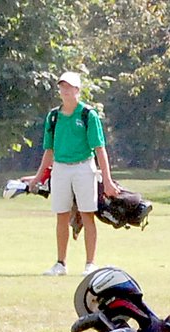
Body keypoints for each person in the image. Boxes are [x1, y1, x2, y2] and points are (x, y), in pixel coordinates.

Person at [30, 71, 120, 276]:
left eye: (70, 87)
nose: (66, 91)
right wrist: (37, 178)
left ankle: (90, 264)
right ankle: (60, 263)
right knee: (61, 215)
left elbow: (99, 149)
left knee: (87, 215)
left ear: (78, 90)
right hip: (60, 169)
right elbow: (49, 151)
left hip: (83, 167)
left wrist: (107, 180)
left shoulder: (88, 114)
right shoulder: (53, 116)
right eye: (63, 87)